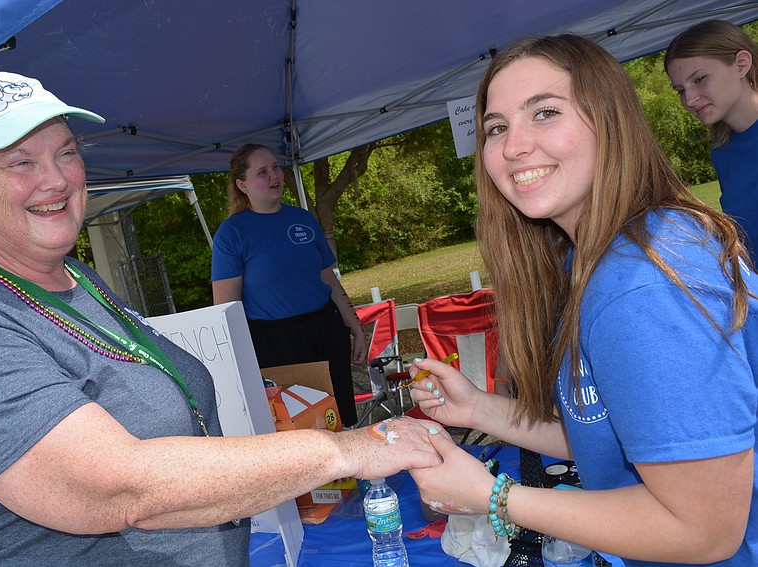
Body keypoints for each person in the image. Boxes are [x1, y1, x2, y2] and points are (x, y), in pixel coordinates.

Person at [0, 72, 441, 567]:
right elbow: (114, 487)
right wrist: (345, 448)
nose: (55, 179)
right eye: (20, 162)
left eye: (66, 152)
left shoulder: (80, 282)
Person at [408, 34, 758, 566]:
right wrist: (479, 408)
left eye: (544, 113)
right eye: (497, 128)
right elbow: (613, 439)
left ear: (610, 122)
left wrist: (494, 496)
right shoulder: (594, 258)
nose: (513, 145)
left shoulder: (644, 283)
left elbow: (705, 531)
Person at [211, 143, 367, 427]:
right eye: (262, 172)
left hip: (326, 330)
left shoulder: (302, 219)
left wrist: (354, 323)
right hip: (275, 344)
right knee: (298, 427)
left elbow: (328, 279)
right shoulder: (232, 233)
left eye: (275, 167)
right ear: (242, 185)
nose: (275, 176)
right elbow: (226, 308)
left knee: (338, 420)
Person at [665, 20, 758, 263]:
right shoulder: (722, 151)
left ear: (741, 64)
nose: (690, 100)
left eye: (699, 79)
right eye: (680, 90)